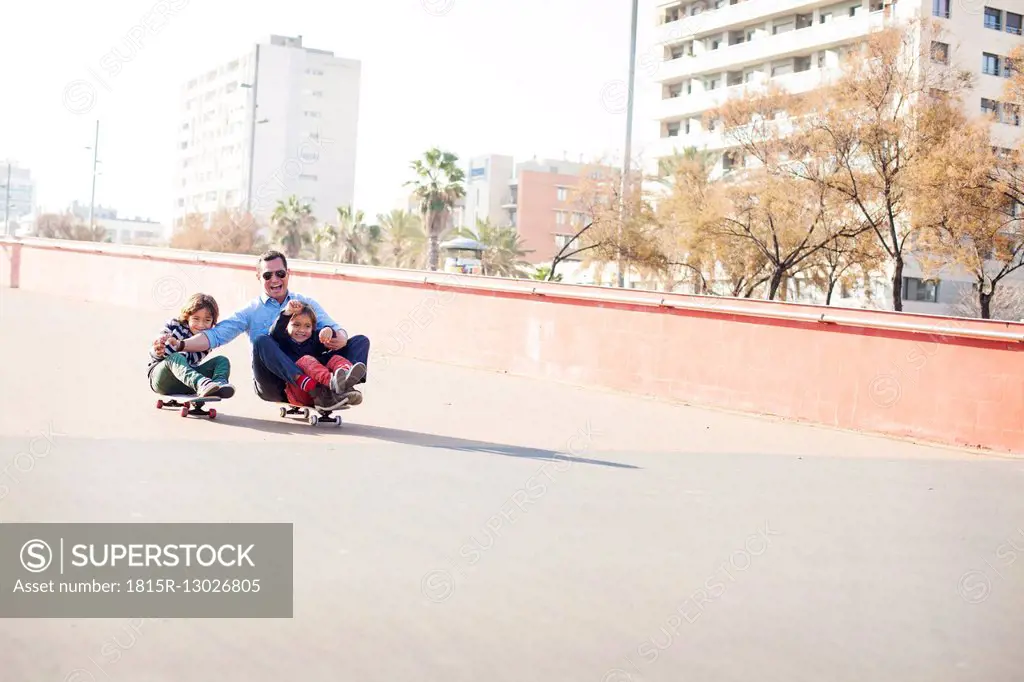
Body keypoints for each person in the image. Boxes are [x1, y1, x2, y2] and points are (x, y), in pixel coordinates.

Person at [166, 250, 369, 411]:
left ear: (288, 274)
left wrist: (340, 337)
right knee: (263, 340)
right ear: (258, 277)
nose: (275, 279)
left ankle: (342, 388)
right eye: (267, 275)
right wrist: (181, 344)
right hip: (275, 382)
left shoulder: (306, 303)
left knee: (359, 341)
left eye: (280, 273)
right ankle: (317, 390)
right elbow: (216, 336)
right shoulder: (251, 311)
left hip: (311, 369)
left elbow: (333, 327)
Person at [270, 299, 363, 407]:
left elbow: (326, 335)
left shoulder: (313, 339)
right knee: (306, 360)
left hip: (323, 392)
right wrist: (287, 313)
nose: (302, 330)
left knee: (335, 358)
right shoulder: (283, 340)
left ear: (313, 328)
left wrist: (328, 331)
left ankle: (346, 378)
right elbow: (275, 332)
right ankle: (333, 383)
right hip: (299, 391)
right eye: (296, 325)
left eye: (307, 326)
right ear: (287, 326)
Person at [149, 293, 236, 398]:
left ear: (213, 321)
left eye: (207, 320)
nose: (201, 325)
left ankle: (218, 385)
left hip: (187, 381)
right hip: (162, 378)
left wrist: (178, 345)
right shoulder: (174, 325)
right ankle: (202, 384)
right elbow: (156, 345)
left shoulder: (206, 341)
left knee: (222, 360)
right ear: (188, 316)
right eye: (196, 319)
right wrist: (159, 348)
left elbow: (190, 359)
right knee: (175, 357)